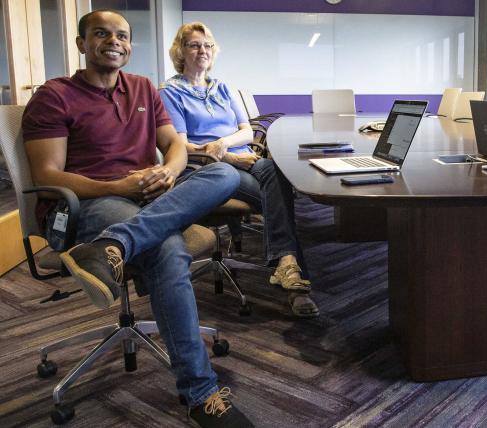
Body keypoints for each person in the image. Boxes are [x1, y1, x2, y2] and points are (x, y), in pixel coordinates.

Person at [22, 10, 252, 427]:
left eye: (123, 36)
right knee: (167, 247)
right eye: (101, 34)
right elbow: (47, 176)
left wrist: (168, 171)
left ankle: (114, 246)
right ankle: (200, 393)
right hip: (89, 200)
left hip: (147, 193)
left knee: (222, 173)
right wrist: (120, 187)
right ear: (81, 44)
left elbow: (176, 146)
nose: (114, 41)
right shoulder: (54, 95)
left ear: (130, 45)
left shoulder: (144, 88)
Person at [159, 22, 319, 318]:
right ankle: (294, 283)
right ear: (180, 51)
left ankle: (286, 266)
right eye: (194, 45)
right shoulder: (170, 92)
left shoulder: (223, 88)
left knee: (274, 170)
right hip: (203, 169)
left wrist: (225, 143)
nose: (202, 51)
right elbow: (181, 146)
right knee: (279, 200)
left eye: (207, 45)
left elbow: (247, 131)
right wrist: (227, 157)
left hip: (243, 161)